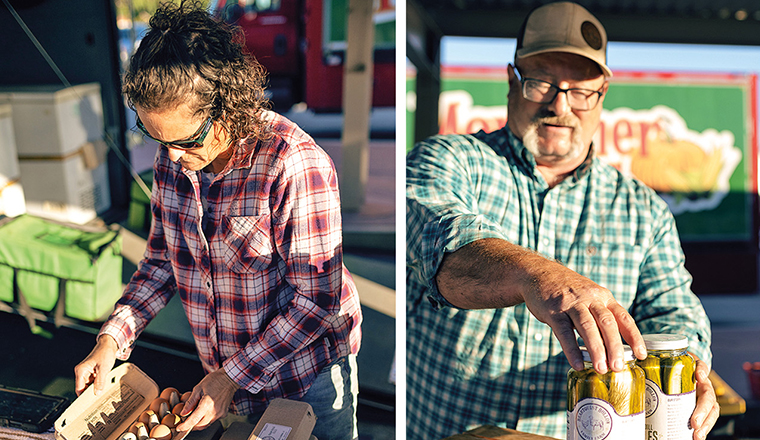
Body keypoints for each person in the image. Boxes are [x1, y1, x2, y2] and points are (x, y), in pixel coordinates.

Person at [406, 2, 718, 439]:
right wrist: (535, 276)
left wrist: (691, 370)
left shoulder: (643, 209)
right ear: (512, 81)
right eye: (541, 83)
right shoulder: (447, 160)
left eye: (580, 90)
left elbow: (673, 312)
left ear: (602, 94)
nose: (560, 104)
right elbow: (439, 244)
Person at [74, 3, 362, 439]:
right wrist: (111, 339)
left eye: (185, 140)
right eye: (156, 137)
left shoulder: (292, 163)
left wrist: (231, 376)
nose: (171, 157)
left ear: (227, 107)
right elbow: (160, 263)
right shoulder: (174, 156)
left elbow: (316, 302)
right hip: (227, 380)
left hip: (306, 378)